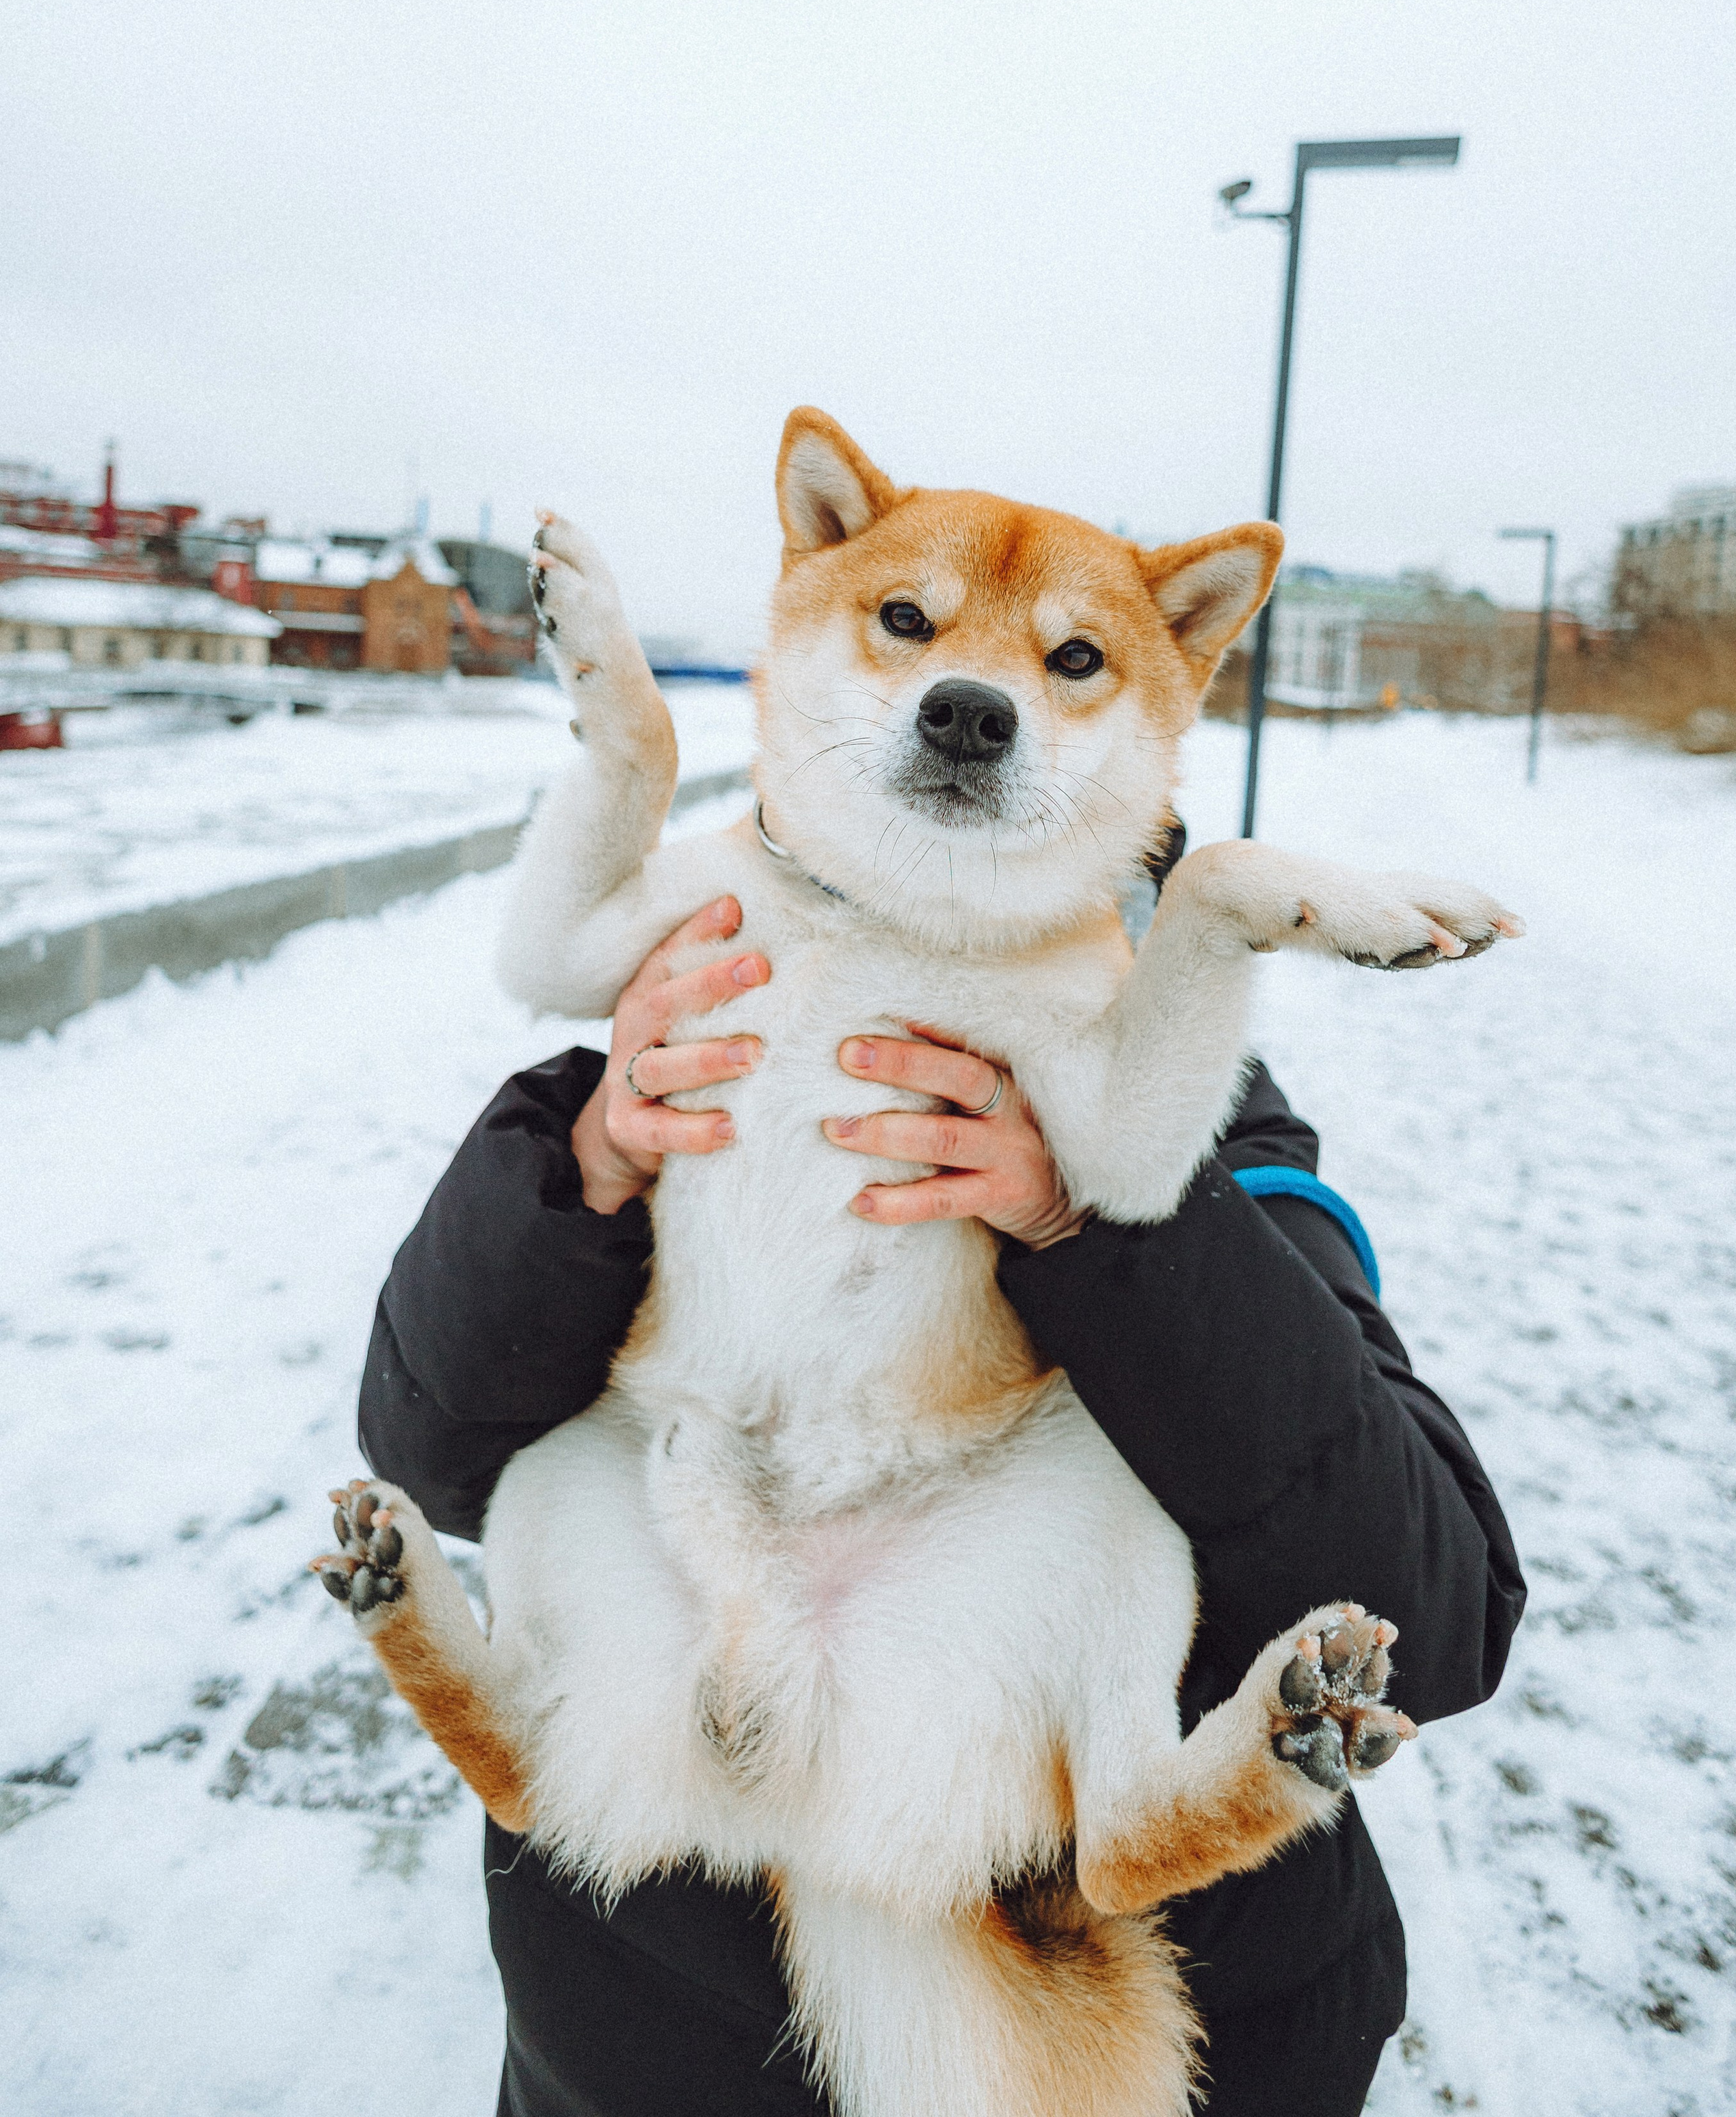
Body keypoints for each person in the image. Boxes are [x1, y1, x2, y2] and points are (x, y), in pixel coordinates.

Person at [359, 895, 1524, 2117]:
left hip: (1077, 1870)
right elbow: (427, 1445)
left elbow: (1431, 1612)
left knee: (1099, 1477)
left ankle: (1171, 1799)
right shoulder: (707, 1032)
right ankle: (511, 1732)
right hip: (644, 1981)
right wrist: (584, 1159)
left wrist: (1105, 1221)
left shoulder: (1228, 1135)